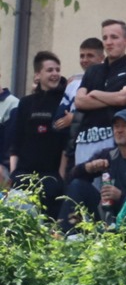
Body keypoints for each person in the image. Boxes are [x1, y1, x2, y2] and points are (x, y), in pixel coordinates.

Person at [71, 19, 126, 170]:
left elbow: (123, 98)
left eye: (114, 37)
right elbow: (79, 101)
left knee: (109, 190)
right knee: (79, 187)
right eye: (105, 38)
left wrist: (95, 93)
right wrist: (112, 98)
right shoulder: (93, 71)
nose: (108, 42)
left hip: (115, 142)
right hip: (85, 141)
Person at [58, 108, 126, 230]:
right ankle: (64, 233)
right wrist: (89, 167)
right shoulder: (106, 154)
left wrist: (121, 196)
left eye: (125, 126)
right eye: (116, 126)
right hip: (104, 214)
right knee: (77, 185)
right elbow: (71, 177)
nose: (119, 130)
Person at [8, 51, 69, 212]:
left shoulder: (64, 102)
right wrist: (14, 173)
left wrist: (60, 177)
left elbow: (65, 143)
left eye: (57, 69)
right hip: (24, 175)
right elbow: (16, 140)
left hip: (51, 177)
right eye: (50, 70)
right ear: (38, 74)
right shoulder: (26, 103)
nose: (55, 74)